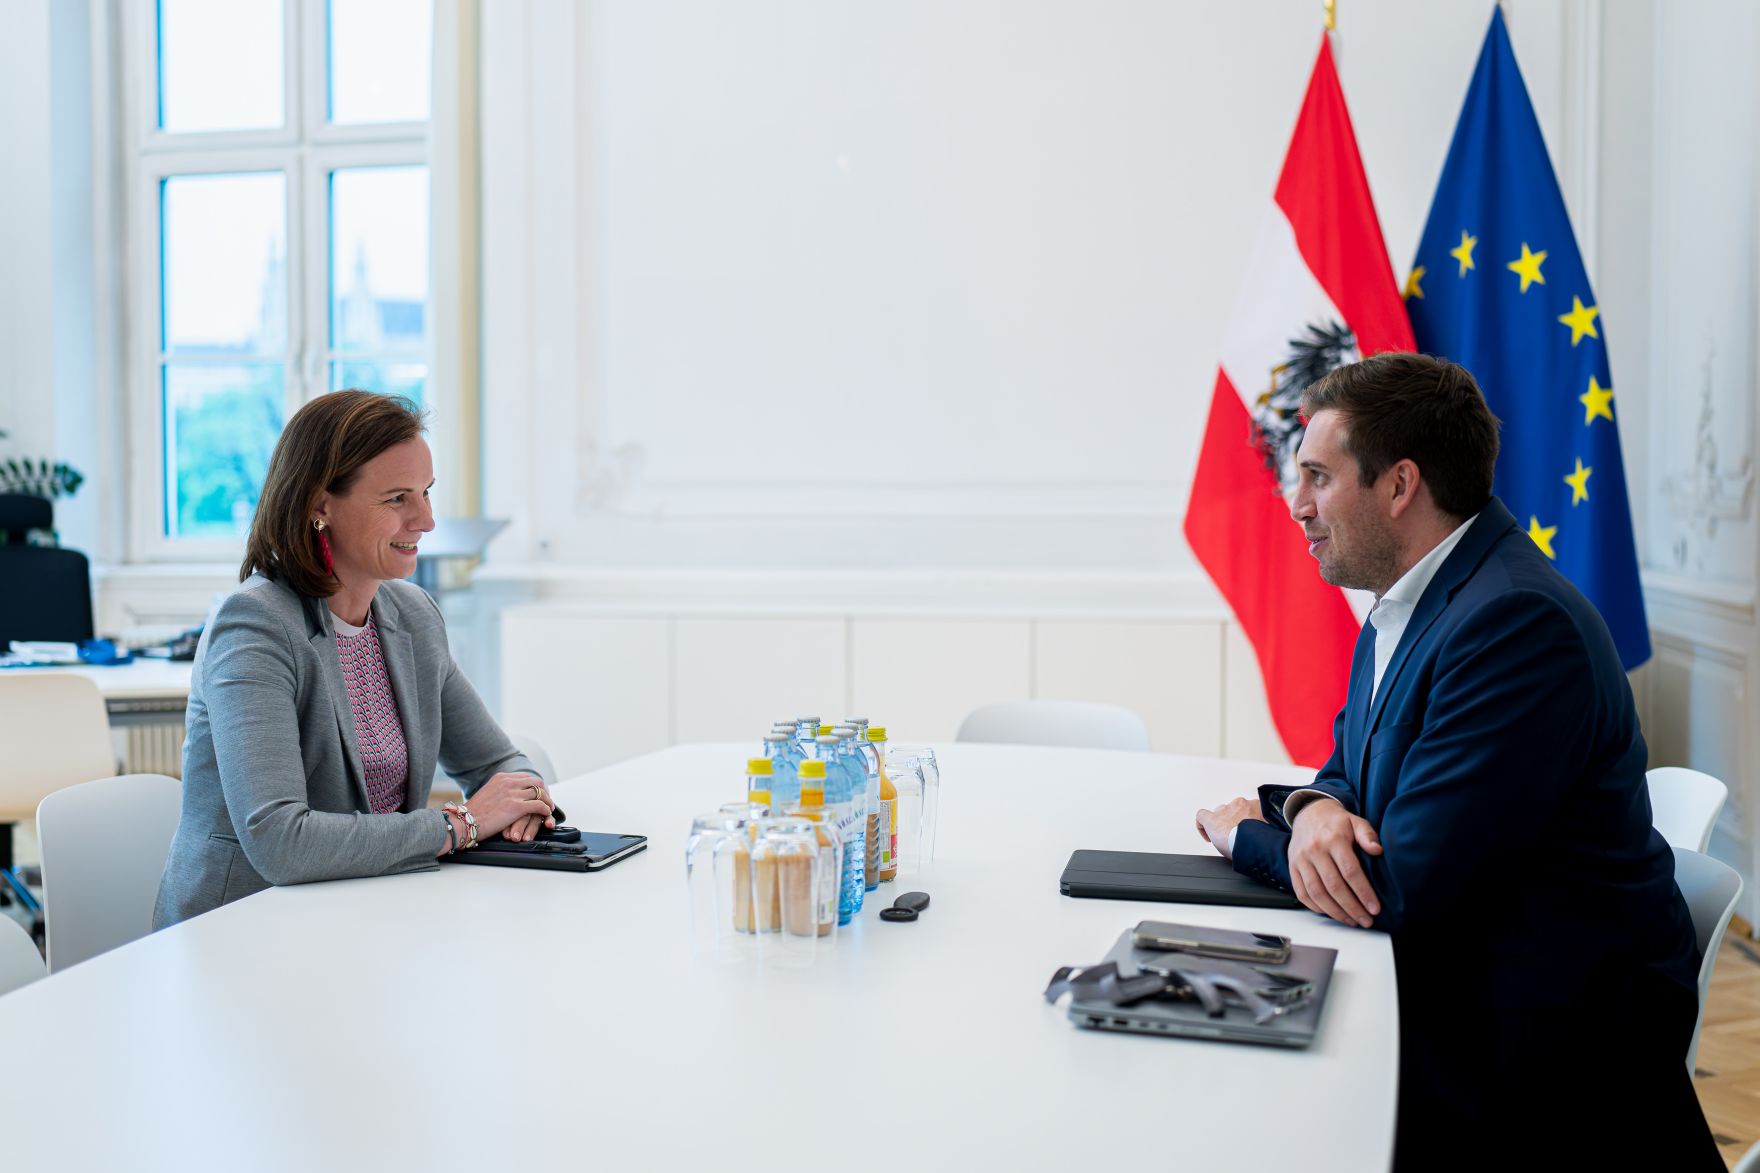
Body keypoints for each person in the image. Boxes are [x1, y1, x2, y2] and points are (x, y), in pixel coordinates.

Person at [1190, 353, 1717, 1168]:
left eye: (1319, 478)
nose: (1297, 506)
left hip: (1540, 1057)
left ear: (1399, 486)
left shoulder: (1513, 623)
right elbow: (1344, 772)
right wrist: (1310, 809)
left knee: (1238, 1102)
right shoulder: (1409, 595)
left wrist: (1244, 835)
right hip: (1464, 984)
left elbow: (1397, 887)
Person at [154, 391, 558, 929]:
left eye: (427, 493)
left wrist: (520, 804)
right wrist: (460, 825)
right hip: (245, 933)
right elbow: (281, 841)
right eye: (397, 499)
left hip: (365, 918)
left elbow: (498, 765)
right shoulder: (254, 626)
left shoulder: (412, 615)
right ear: (320, 505)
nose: (426, 520)